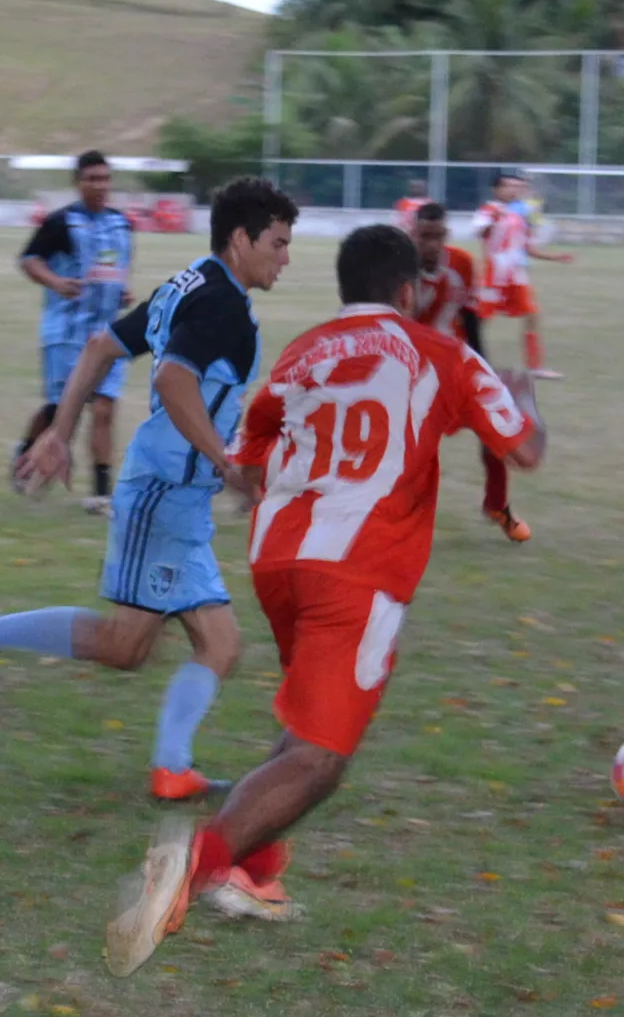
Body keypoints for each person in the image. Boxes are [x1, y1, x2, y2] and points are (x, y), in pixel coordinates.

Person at [103, 224, 545, 973]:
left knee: (309, 719)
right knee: (320, 758)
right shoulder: (439, 351)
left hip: (280, 558)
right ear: (407, 291)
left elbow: (247, 457)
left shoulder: (304, 350)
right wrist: (526, 395)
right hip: (356, 568)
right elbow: (523, 449)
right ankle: (194, 864)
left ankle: (251, 870)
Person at [0, 177, 300, 803]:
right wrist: (228, 462)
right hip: (163, 491)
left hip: (176, 495)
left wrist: (59, 430)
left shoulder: (191, 281)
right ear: (241, 239)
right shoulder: (219, 304)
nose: (285, 257)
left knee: (186, 644)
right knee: (153, 644)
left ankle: (170, 768)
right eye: (277, 242)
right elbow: (175, 382)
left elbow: (105, 345)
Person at [15, 151, 133, 507]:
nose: (100, 185)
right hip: (66, 332)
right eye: (92, 179)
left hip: (108, 334)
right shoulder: (60, 223)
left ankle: (100, 493)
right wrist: (55, 281)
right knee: (58, 410)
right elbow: (28, 260)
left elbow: (114, 267)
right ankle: (24, 455)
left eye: (105, 178)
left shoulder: (121, 225)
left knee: (104, 408)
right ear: (77, 183)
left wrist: (120, 290)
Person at [411, 202, 529, 543]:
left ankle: (497, 506)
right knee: (414, 450)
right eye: (424, 236)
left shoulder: (462, 263)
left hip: (458, 369)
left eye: (437, 236)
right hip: (417, 375)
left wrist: (486, 371)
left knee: (495, 434)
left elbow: (472, 319)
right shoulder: (399, 268)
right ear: (413, 234)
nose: (430, 245)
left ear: (445, 235)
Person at [473, 172, 571, 379]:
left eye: (518, 186)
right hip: (494, 276)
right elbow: (479, 232)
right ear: (497, 189)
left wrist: (555, 257)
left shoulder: (519, 216)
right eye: (509, 185)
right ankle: (462, 362)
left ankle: (535, 367)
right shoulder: (488, 210)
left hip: (516, 276)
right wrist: (494, 220)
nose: (515, 190)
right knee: (478, 320)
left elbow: (527, 248)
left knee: (532, 315)